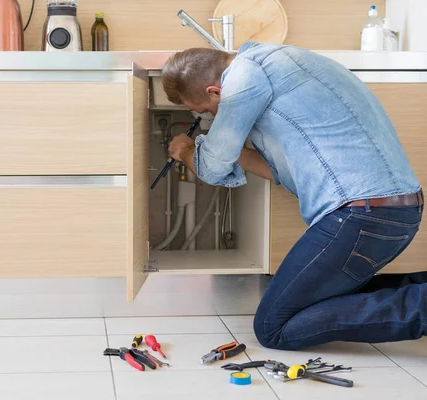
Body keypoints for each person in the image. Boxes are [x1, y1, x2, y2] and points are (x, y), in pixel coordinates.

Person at [162, 41, 426, 350]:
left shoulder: (243, 78)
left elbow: (211, 168)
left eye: (206, 111)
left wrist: (187, 149)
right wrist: (230, 149)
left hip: (357, 216)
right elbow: (282, 171)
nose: (209, 118)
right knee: (317, 294)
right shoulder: (284, 59)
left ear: (214, 92)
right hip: (398, 211)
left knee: (273, 327)